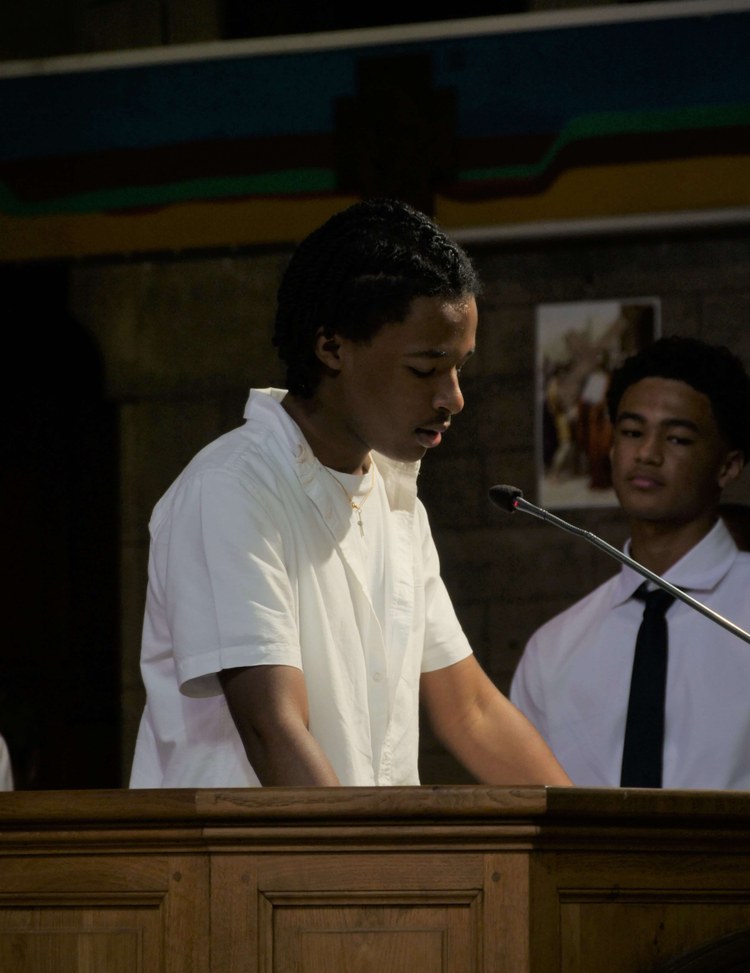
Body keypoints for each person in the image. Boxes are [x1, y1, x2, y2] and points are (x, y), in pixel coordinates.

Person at [130, 198, 569, 789]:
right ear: (331, 347)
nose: (453, 398)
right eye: (426, 368)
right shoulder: (232, 489)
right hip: (257, 848)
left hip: (357, 843)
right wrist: (367, 850)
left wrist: (592, 835)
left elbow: (471, 711)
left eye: (460, 368)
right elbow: (274, 729)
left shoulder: (396, 501)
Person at [511, 336, 750, 789]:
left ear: (729, 466)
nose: (647, 454)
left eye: (677, 438)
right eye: (632, 432)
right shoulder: (554, 650)